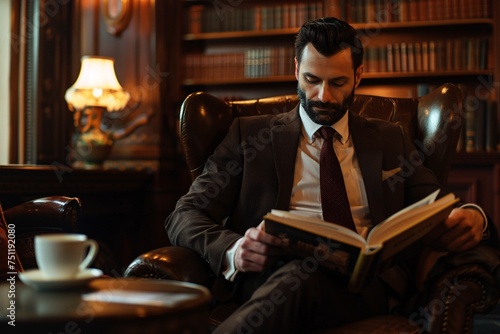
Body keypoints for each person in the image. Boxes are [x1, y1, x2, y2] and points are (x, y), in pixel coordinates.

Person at [166, 17, 495, 333]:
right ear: (296, 71)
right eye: (312, 80)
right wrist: (234, 249)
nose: (323, 96)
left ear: (358, 75)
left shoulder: (388, 138)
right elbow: (185, 214)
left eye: (337, 82)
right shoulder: (249, 136)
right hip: (267, 276)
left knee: (301, 278)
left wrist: (472, 217)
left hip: (365, 286)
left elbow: (436, 205)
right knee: (298, 276)